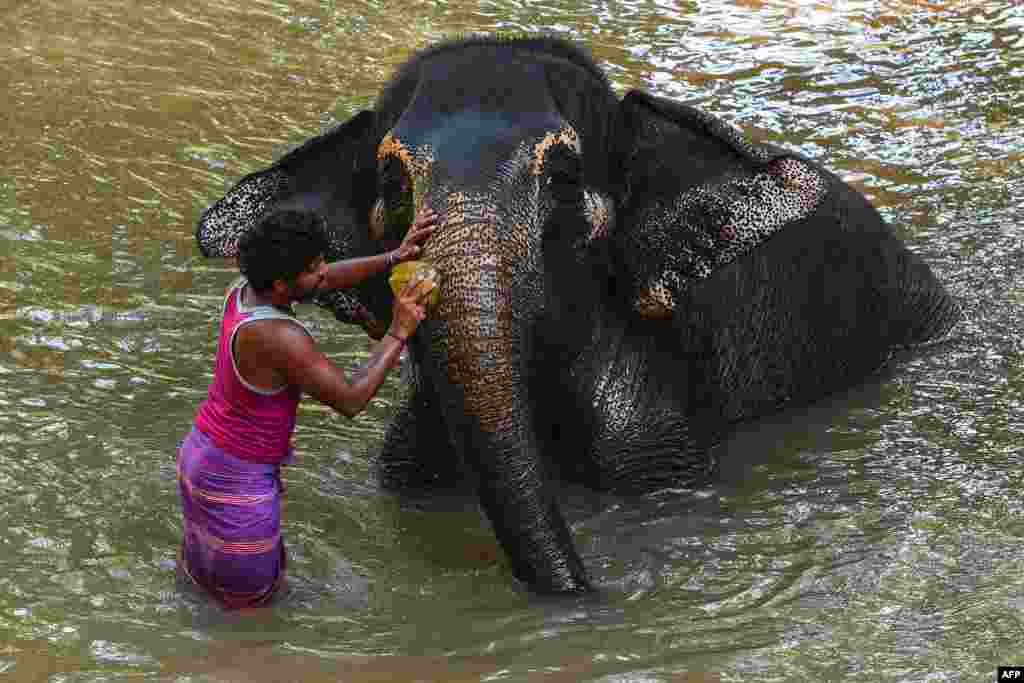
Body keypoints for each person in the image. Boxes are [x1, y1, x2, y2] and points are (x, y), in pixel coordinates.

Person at [177, 206, 437, 609]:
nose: (323, 273)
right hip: (238, 483)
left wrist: (395, 257)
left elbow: (329, 277)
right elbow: (351, 399)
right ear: (282, 285)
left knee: (206, 590)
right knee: (251, 619)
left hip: (203, 458)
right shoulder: (280, 338)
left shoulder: (246, 290)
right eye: (313, 268)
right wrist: (398, 331)